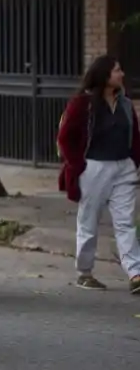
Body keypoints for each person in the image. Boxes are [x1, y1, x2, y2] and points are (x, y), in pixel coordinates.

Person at [57, 55, 140, 295]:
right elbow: (65, 138)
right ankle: (85, 272)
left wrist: (135, 161)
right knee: (89, 221)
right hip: (94, 168)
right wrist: (78, 166)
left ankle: (135, 273)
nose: (121, 74)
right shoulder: (83, 104)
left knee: (125, 222)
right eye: (117, 70)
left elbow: (134, 134)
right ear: (105, 75)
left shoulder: (124, 103)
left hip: (123, 168)